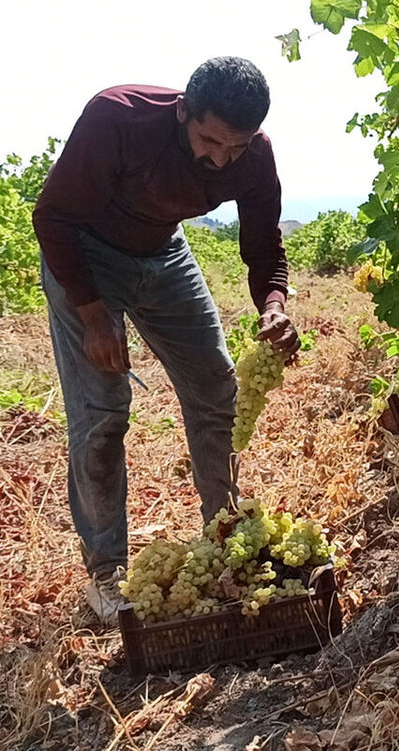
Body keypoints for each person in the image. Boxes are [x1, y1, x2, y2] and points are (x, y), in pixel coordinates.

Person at [32, 57, 301, 626]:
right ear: (183, 111)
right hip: (85, 255)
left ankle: (225, 530)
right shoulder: (118, 119)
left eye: (236, 147)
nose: (220, 158)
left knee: (215, 386)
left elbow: (263, 246)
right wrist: (93, 312)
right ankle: (106, 572)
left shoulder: (253, 155)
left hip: (163, 254)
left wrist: (274, 308)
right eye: (210, 141)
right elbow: (52, 215)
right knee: (103, 414)